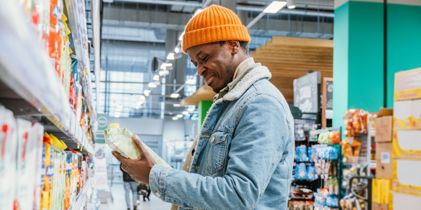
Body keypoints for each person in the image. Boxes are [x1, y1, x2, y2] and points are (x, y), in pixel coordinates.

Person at [113, 5, 294, 210]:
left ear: (233, 45)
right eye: (194, 63)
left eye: (204, 58)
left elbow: (238, 196)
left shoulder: (261, 104)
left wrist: (155, 176)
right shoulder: (229, 104)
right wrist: (152, 165)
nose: (199, 70)